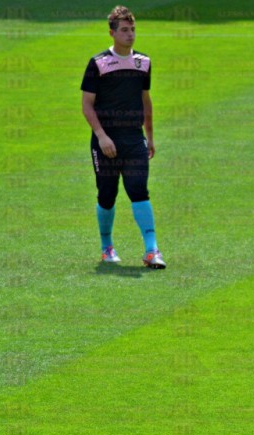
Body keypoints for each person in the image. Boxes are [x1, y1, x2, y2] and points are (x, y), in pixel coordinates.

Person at [81, 5, 166, 269]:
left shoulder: (144, 62)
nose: (131, 34)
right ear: (112, 33)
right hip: (105, 141)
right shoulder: (98, 63)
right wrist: (102, 136)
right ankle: (107, 246)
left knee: (139, 190)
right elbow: (86, 105)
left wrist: (149, 137)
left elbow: (145, 101)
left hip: (134, 140)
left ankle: (152, 250)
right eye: (125, 30)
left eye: (133, 29)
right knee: (107, 195)